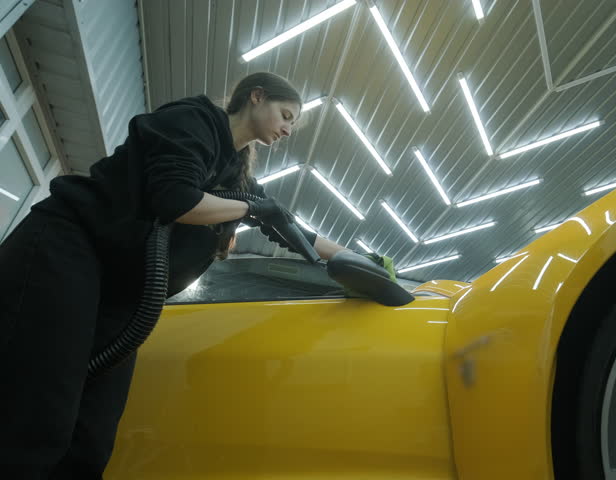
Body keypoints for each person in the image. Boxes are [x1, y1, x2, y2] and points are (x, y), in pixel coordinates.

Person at [0, 72, 356, 478]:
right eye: (286, 115)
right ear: (256, 96)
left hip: (120, 292)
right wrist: (251, 209)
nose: (289, 130)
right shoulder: (193, 120)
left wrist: (358, 258)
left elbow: (291, 229)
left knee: (91, 438)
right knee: (38, 414)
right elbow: (175, 198)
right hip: (68, 249)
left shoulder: (237, 176)